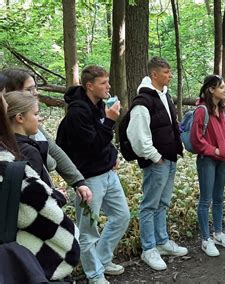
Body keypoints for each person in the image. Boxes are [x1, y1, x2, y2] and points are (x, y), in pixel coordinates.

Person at [0, 75, 80, 281]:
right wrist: (56, 196)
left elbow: (54, 155)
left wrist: (77, 180)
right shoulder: (14, 161)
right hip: (26, 262)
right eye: (2, 97)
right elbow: (43, 215)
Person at [56, 65, 130, 283]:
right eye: (103, 83)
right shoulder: (78, 113)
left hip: (107, 173)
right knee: (88, 231)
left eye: (108, 82)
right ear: (90, 86)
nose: (108, 86)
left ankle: (102, 260)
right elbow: (91, 145)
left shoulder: (99, 105)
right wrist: (109, 121)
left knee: (122, 216)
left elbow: (103, 141)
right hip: (88, 180)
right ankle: (94, 274)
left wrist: (112, 154)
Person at [126, 57, 188, 270]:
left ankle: (162, 242)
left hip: (169, 158)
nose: (170, 76)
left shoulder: (164, 95)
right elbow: (138, 136)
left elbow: (171, 125)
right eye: (166, 72)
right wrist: (155, 156)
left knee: (163, 203)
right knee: (150, 205)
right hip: (157, 162)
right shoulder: (143, 101)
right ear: (154, 74)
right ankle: (148, 248)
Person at [0, 68, 92, 204]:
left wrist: (78, 181)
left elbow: (53, 148)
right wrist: (54, 196)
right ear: (10, 93)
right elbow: (32, 196)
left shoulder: (30, 126)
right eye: (29, 89)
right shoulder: (16, 142)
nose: (35, 93)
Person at [190, 75, 225, 257]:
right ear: (211, 89)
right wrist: (214, 150)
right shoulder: (201, 110)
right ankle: (206, 239)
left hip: (221, 159)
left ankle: (218, 234)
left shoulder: (223, 109)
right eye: (221, 87)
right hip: (207, 159)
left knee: (218, 197)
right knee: (205, 200)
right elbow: (196, 139)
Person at [4, 91, 68, 206]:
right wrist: (58, 196)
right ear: (20, 118)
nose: (39, 118)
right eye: (36, 114)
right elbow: (35, 198)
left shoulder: (5, 145)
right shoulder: (28, 151)